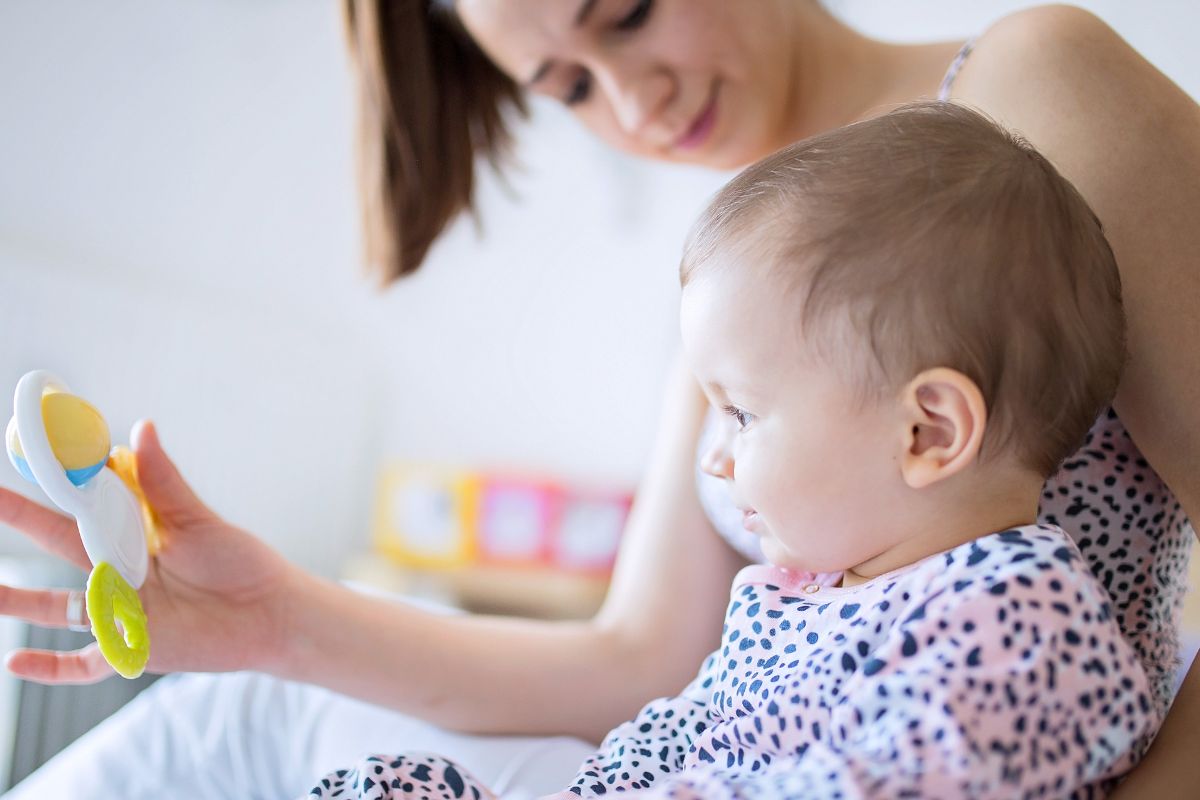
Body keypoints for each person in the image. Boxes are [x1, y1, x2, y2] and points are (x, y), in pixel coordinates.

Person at [0, 2, 1196, 798]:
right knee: (255, 697)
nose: (635, 103)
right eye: (568, 85)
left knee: (254, 725)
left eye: (626, 12)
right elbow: (643, 659)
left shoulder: (1037, 82)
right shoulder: (753, 260)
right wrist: (268, 613)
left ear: (934, 426)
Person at [301, 101, 1159, 800]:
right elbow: (680, 732)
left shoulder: (1020, 621)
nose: (715, 459)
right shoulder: (809, 590)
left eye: (742, 414)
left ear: (927, 433)